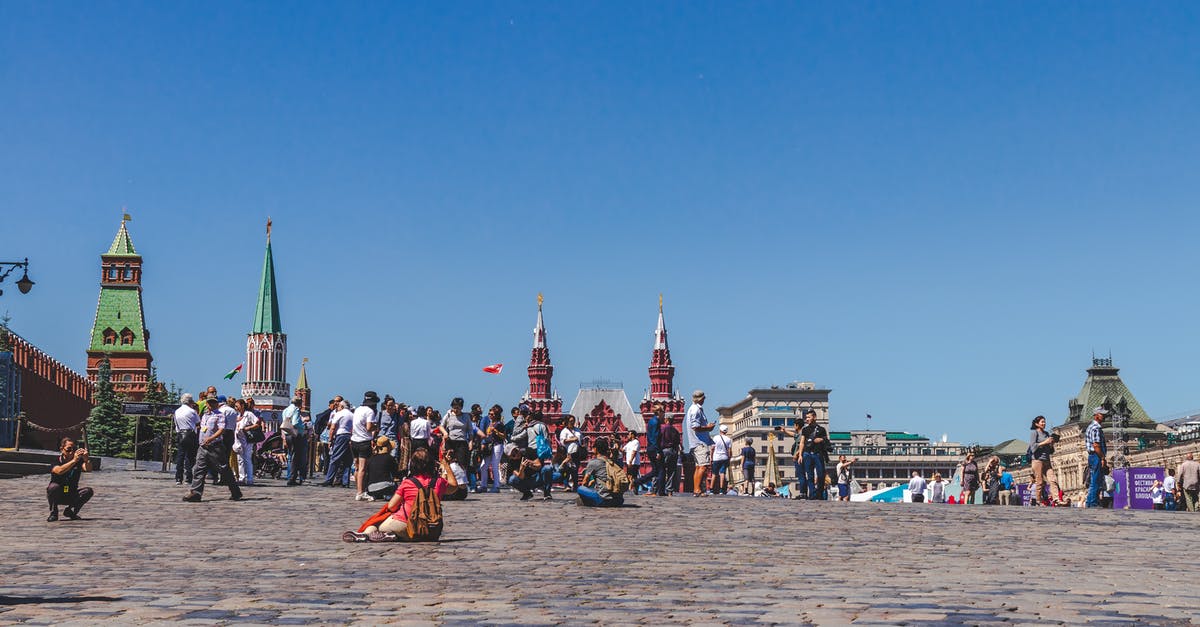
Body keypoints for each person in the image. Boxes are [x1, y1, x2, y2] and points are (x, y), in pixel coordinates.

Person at [350, 447, 457, 543]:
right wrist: (446, 465)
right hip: (431, 531)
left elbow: (392, 506)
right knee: (406, 532)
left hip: (405, 524)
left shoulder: (408, 483)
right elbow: (454, 487)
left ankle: (366, 534)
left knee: (376, 524)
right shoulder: (439, 482)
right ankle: (393, 536)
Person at [183, 397, 243, 502]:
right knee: (198, 469)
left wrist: (211, 438)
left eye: (213, 402)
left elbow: (221, 429)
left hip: (215, 447)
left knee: (224, 469)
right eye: (209, 402)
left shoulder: (220, 415)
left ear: (217, 404)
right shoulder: (205, 415)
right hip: (203, 447)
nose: (210, 404)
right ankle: (195, 493)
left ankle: (236, 492)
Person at [47, 437, 93, 521]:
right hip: (58, 493)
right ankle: (54, 512)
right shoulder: (56, 461)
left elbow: (88, 469)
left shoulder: (78, 461)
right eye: (68, 449)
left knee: (88, 491)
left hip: (71, 492)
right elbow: (59, 471)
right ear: (62, 449)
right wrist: (74, 461)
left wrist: (86, 459)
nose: (71, 452)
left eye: (74, 449)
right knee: (53, 487)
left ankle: (70, 511)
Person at [577, 438, 626, 507]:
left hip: (603, 500)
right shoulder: (613, 461)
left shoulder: (593, 462)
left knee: (580, 489)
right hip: (619, 500)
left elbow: (584, 482)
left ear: (596, 449)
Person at [684, 390, 714, 496]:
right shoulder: (696, 410)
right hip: (700, 442)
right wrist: (708, 428)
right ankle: (697, 489)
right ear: (701, 399)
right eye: (704, 398)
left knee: (698, 467)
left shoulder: (692, 409)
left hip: (695, 442)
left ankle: (697, 489)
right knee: (703, 466)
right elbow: (695, 427)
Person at [351, 391, 380, 501]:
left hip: (354, 440)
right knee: (363, 468)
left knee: (357, 467)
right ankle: (361, 492)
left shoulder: (358, 410)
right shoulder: (370, 412)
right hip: (364, 441)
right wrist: (375, 428)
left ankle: (358, 490)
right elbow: (369, 427)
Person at [1028, 415, 1061, 506]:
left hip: (1046, 460)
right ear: (1036, 424)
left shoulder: (1046, 434)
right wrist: (1045, 442)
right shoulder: (1034, 433)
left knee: (1052, 479)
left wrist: (1051, 444)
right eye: (1042, 422)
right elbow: (1033, 447)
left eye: (1044, 421)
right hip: (1037, 460)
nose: (1044, 423)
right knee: (1040, 482)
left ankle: (1056, 499)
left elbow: (1051, 451)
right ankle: (1038, 501)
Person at [321, 400, 354, 487]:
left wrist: (330, 440)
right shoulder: (352, 415)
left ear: (342, 407)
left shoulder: (339, 414)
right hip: (350, 436)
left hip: (341, 435)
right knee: (347, 460)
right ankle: (345, 481)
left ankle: (329, 479)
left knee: (335, 458)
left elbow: (332, 428)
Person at [798, 409, 829, 500]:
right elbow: (802, 442)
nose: (807, 419)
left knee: (820, 475)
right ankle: (812, 494)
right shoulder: (805, 429)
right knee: (810, 475)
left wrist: (821, 440)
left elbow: (826, 441)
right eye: (806, 417)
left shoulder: (821, 429)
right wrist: (800, 455)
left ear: (814, 417)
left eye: (809, 417)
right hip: (807, 454)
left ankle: (819, 493)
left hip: (818, 454)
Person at [636, 404, 663, 495]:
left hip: (650, 448)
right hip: (654, 448)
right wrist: (658, 451)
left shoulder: (651, 421)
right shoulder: (656, 422)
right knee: (659, 470)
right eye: (663, 412)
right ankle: (659, 490)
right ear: (659, 412)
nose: (664, 414)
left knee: (655, 470)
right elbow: (655, 437)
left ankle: (638, 482)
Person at [173, 394, 200, 486]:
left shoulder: (177, 411)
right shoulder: (192, 411)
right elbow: (197, 422)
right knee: (189, 456)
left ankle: (178, 478)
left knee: (180, 456)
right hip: (190, 434)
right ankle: (188, 478)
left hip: (180, 434)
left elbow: (176, 424)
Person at [1084, 407, 1108, 508]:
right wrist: (1102, 457)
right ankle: (1093, 502)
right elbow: (1096, 446)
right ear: (1096, 415)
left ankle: (1089, 502)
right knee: (1095, 479)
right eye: (1102, 414)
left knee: (1094, 479)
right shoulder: (1096, 428)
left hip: (1092, 456)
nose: (1104, 416)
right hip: (1096, 456)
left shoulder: (1090, 427)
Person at [234, 398, 261, 486]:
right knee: (240, 460)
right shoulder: (238, 416)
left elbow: (257, 423)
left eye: (237, 406)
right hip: (238, 440)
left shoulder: (249, 414)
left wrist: (248, 428)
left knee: (247, 459)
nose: (236, 408)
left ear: (242, 406)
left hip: (247, 440)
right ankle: (241, 478)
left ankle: (249, 479)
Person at [364, 436, 399, 501]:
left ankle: (375, 495)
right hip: (386, 486)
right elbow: (396, 474)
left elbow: (367, 475)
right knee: (393, 486)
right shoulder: (390, 458)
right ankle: (388, 495)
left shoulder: (371, 459)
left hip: (371, 488)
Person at [658, 411, 681, 496]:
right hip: (673, 452)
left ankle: (660, 490)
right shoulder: (675, 430)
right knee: (671, 471)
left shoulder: (662, 429)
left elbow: (658, 440)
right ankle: (670, 491)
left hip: (664, 450)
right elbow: (678, 442)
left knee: (661, 470)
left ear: (666, 419)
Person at [557, 414, 583, 491]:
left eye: (573, 421)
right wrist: (572, 439)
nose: (572, 423)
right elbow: (562, 441)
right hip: (568, 453)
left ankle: (575, 485)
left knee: (575, 469)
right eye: (571, 421)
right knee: (567, 469)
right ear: (567, 422)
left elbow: (581, 438)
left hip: (576, 452)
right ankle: (566, 485)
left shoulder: (577, 430)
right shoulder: (564, 431)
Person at [710, 424, 733, 495]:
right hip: (724, 457)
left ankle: (711, 489)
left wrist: (711, 457)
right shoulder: (728, 439)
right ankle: (721, 489)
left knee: (714, 474)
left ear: (720, 430)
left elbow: (712, 448)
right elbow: (729, 450)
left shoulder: (716, 438)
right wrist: (729, 457)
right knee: (722, 473)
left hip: (716, 457)